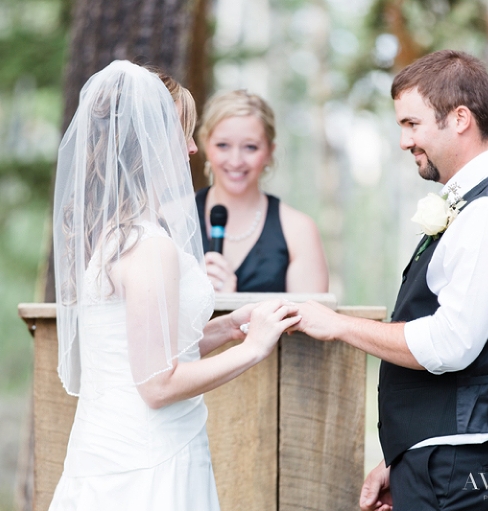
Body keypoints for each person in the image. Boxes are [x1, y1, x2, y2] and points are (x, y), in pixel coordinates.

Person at [293, 50, 488, 511]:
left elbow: (448, 344)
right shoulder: (480, 203)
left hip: (458, 464)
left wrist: (338, 325)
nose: (404, 140)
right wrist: (406, 456)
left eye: (412, 124)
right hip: (442, 458)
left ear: (459, 119)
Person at [49, 60, 301, 511]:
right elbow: (157, 384)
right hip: (149, 461)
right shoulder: (148, 246)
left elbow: (144, 350)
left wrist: (225, 331)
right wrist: (253, 349)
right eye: (182, 132)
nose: (191, 148)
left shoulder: (119, 234)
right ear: (146, 142)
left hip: (115, 447)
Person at [195, 90, 329, 293]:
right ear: (205, 145)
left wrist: (231, 304)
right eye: (223, 145)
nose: (235, 161)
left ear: (269, 152)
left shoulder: (298, 231)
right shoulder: (170, 220)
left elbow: (311, 323)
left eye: (250, 147)